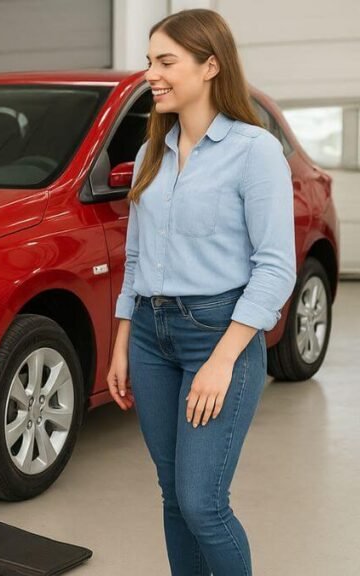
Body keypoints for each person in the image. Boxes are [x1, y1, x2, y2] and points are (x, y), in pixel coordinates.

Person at [106, 9, 295, 576]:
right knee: (171, 496)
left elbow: (276, 268)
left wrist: (223, 358)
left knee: (203, 504)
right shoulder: (150, 154)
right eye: (149, 62)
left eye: (166, 62)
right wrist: (121, 341)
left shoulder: (254, 151)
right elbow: (136, 259)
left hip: (218, 334)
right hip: (149, 336)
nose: (151, 75)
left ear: (210, 65)